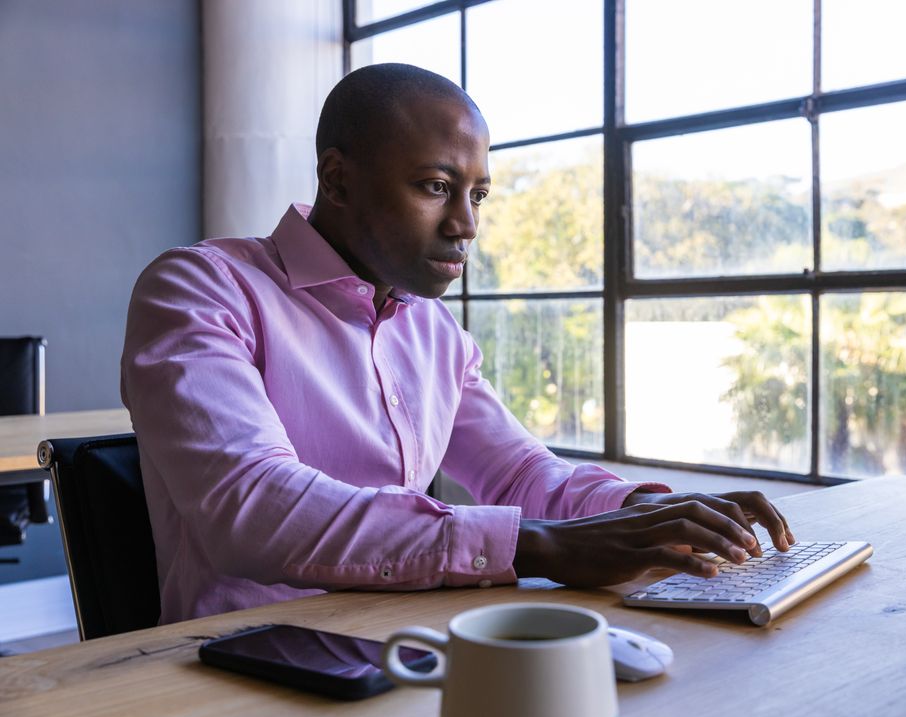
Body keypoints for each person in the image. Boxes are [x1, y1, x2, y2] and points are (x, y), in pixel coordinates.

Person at [121, 63, 795, 623]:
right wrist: (540, 547)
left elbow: (521, 475)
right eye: (436, 187)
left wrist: (645, 510)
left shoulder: (435, 332)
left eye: (479, 195)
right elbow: (253, 507)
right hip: (246, 659)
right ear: (337, 178)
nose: (465, 224)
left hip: (413, 632)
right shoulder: (199, 288)